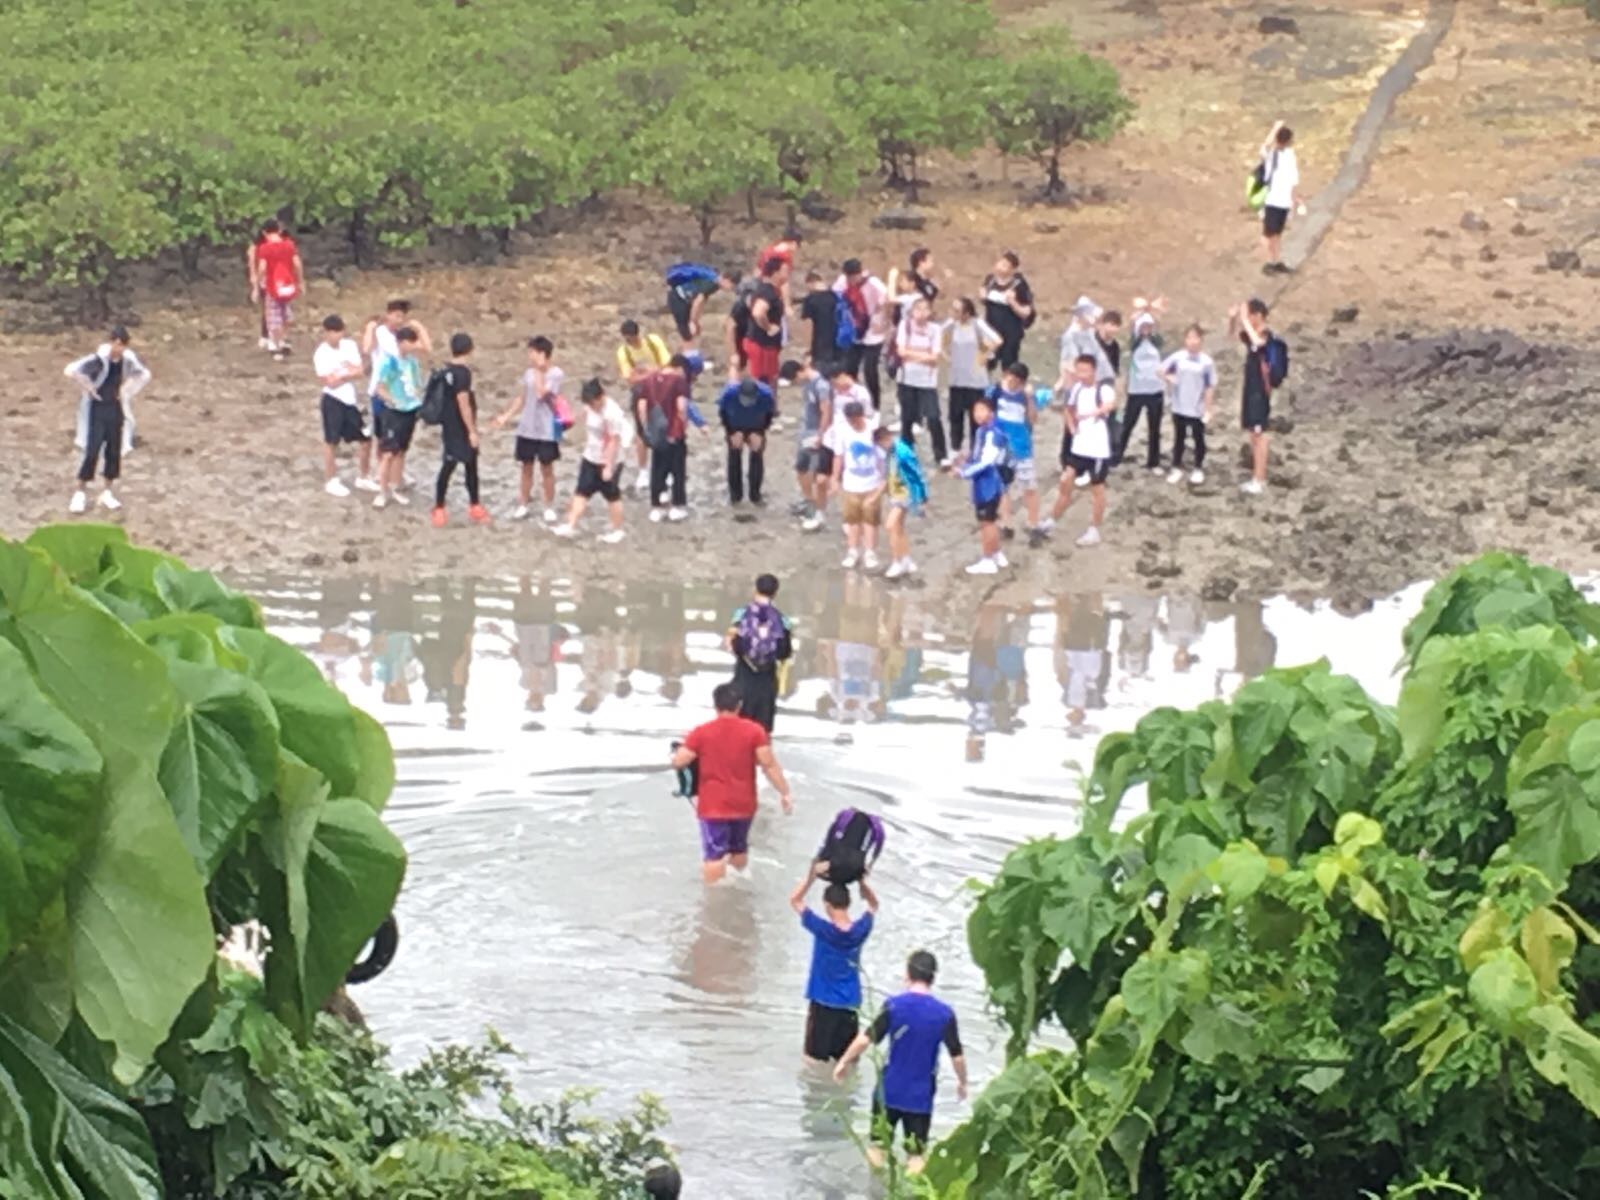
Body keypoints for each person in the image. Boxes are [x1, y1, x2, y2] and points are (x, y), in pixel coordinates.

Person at [834, 950, 968, 1176]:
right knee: (916, 1155)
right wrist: (962, 1082)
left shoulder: (894, 1006)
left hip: (889, 1090)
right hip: (920, 1096)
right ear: (933, 977)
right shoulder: (944, 1014)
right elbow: (957, 1055)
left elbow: (866, 1039)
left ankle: (875, 1188)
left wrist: (844, 1061)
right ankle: (912, 1190)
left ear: (908, 974)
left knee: (878, 1146)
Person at [671, 682, 794, 884]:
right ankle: (738, 887)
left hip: (713, 807)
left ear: (715, 705)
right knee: (739, 850)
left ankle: (713, 897)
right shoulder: (755, 731)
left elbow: (680, 761)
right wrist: (785, 793)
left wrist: (676, 754)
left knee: (714, 856)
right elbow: (769, 765)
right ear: (739, 705)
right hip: (744, 805)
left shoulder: (701, 733)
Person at [64, 326, 150, 514]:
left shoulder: (126, 361)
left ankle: (107, 492)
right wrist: (89, 387)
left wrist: (125, 390)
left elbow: (141, 374)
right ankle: (80, 492)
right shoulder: (99, 360)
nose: (118, 348)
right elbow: (74, 371)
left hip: (115, 408)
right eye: (116, 344)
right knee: (92, 450)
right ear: (111, 342)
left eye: (122, 345)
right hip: (98, 408)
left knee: (113, 451)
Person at [791, 879, 877, 1064]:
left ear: (827, 905)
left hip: (823, 1001)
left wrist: (811, 877)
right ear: (848, 903)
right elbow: (873, 905)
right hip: (850, 1003)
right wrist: (862, 882)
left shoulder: (822, 929)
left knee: (813, 1061)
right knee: (847, 1061)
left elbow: (795, 900)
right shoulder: (860, 930)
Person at [494, 335, 565, 522]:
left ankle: (548, 506)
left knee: (547, 468)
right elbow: (523, 398)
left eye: (532, 352)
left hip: (547, 429)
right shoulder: (528, 374)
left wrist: (540, 371)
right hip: (527, 428)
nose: (529, 356)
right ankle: (523, 504)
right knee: (526, 467)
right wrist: (506, 416)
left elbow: (542, 394)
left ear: (542, 353)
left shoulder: (556, 374)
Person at [1046, 353, 1115, 546]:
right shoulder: (1076, 389)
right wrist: (1072, 426)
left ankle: (1094, 529)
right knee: (1066, 481)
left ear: (1094, 371)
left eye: (1086, 371)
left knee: (1097, 488)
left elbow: (1109, 405)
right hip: (1079, 446)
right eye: (1079, 371)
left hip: (1098, 449)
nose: (1082, 375)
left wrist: (1091, 414)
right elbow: (1068, 409)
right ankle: (1052, 520)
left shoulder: (1103, 389)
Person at [363, 300, 431, 492]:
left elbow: (426, 348)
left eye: (402, 316)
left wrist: (419, 328)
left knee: (401, 437)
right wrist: (369, 329)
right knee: (382, 434)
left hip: (402, 393)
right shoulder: (381, 333)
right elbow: (368, 349)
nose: (399, 320)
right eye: (396, 315)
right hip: (382, 390)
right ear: (388, 314)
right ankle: (382, 472)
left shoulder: (402, 336)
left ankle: (396, 472)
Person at [551, 379, 627, 543]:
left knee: (612, 495)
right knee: (582, 491)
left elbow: (614, 441)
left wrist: (608, 466)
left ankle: (618, 530)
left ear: (601, 397)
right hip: (590, 456)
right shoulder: (590, 406)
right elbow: (582, 414)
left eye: (593, 403)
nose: (592, 407)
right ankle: (570, 525)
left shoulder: (612, 414)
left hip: (609, 459)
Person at [313, 315, 376, 497]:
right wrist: (348, 372)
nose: (337, 336)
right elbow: (329, 382)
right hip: (332, 400)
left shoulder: (349, 346)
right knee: (331, 441)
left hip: (350, 400)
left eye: (339, 332)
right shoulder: (321, 354)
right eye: (333, 332)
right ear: (326, 333)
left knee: (365, 438)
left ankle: (363, 476)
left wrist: (342, 375)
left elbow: (359, 371)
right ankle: (331, 479)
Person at [1229, 297, 1286, 495]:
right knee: (1253, 433)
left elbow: (1258, 343)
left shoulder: (1268, 338)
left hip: (1261, 392)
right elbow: (1234, 336)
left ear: (1258, 315)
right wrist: (1234, 319)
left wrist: (1244, 319)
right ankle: (1256, 476)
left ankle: (1260, 478)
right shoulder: (1252, 336)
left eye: (1250, 315)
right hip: (1251, 389)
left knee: (1260, 434)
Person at [431, 333, 489, 528]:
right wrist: (472, 430)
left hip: (448, 424)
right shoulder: (463, 373)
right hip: (460, 426)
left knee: (453, 464)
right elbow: (463, 403)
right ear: (470, 350)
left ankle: (443, 506)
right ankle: (468, 505)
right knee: (463, 465)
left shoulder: (446, 370)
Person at [726, 573, 794, 732]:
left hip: (743, 676)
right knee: (762, 730)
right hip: (767, 680)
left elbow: (732, 644)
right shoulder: (782, 619)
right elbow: (784, 652)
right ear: (775, 592)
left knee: (740, 727)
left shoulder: (741, 614)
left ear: (755, 589)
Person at [372, 326, 425, 509]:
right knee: (388, 453)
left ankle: (395, 487)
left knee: (401, 451)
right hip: (393, 412)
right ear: (401, 343)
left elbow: (417, 384)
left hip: (410, 410)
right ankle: (382, 491)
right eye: (410, 342)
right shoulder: (390, 362)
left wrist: (416, 400)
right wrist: (393, 401)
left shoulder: (412, 363)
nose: (413, 346)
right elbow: (379, 388)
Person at [634, 357, 693, 521]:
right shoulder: (679, 382)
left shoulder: (648, 381)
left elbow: (641, 408)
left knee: (657, 468)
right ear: (680, 368)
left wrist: (646, 429)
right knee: (677, 470)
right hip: (674, 432)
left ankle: (656, 507)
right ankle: (677, 506)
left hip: (656, 433)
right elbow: (681, 407)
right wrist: (684, 424)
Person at [989, 363, 1043, 540]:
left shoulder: (1026, 397)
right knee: (1001, 486)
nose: (1012, 383)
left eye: (1016, 381)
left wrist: (1029, 398)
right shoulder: (996, 391)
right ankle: (1006, 522)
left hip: (1021, 448)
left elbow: (1033, 419)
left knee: (1029, 487)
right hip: (1000, 447)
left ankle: (1033, 522)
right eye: (1010, 379)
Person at [959, 393, 1009, 575]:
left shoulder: (993, 434)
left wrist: (964, 472)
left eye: (982, 410)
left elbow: (987, 461)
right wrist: (966, 462)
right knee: (990, 520)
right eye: (975, 411)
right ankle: (996, 553)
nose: (978, 414)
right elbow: (976, 456)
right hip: (985, 482)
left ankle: (988, 559)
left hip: (988, 484)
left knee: (987, 522)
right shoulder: (982, 431)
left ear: (991, 412)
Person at [833, 401, 885, 571]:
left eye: (856, 420)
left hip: (872, 482)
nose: (853, 424)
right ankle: (852, 551)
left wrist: (883, 479)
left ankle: (870, 552)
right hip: (851, 482)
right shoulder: (842, 431)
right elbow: (838, 456)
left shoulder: (873, 429)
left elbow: (882, 456)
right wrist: (835, 478)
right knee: (852, 519)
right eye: (850, 420)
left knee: (871, 519)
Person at [944, 297, 1000, 457]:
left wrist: (985, 355)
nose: (953, 313)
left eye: (957, 310)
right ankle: (955, 448)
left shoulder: (977, 324)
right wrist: (946, 356)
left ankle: (976, 449)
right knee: (955, 415)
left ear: (967, 313)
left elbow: (997, 340)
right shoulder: (951, 325)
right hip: (957, 378)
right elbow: (938, 337)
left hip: (976, 380)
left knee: (976, 417)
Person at [781, 358, 833, 530]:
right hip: (807, 429)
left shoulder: (821, 386)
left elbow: (826, 411)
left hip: (816, 431)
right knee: (801, 467)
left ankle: (817, 508)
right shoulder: (808, 384)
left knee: (816, 471)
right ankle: (808, 500)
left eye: (795, 379)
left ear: (799, 372)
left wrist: (821, 434)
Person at [1162, 324, 1217, 485]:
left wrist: (1208, 409)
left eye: (1195, 338)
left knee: (1198, 438)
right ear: (1185, 340)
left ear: (1201, 340)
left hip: (1197, 407)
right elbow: (1161, 370)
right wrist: (1170, 378)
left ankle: (1198, 468)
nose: (1192, 341)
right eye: (1189, 338)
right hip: (1179, 405)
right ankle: (1176, 467)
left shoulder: (1206, 362)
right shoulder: (1178, 358)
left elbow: (1209, 386)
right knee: (1179, 437)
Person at [894, 295, 946, 466]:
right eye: (918, 309)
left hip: (927, 381)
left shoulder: (935, 329)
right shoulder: (905, 326)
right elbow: (901, 351)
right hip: (906, 379)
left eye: (925, 309)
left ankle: (941, 455)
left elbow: (935, 356)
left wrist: (912, 355)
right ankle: (906, 452)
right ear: (912, 311)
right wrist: (923, 356)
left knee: (933, 417)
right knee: (907, 417)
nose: (922, 313)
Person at [1120, 305, 1167, 473]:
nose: (1146, 329)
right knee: (1128, 424)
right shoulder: (1135, 342)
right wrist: (1140, 312)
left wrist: (1153, 311)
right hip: (1136, 390)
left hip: (1155, 389)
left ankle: (1153, 462)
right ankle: (1117, 456)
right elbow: (1131, 324)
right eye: (1143, 326)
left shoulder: (1156, 341)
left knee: (1154, 428)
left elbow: (1160, 329)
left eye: (1149, 326)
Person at [836, 259, 889, 409]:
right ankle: (851, 402)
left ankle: (875, 405)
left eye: (854, 277)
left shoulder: (874, 284)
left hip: (874, 331)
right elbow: (836, 297)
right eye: (849, 277)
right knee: (850, 367)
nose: (852, 280)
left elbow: (888, 301)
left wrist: (885, 321)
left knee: (870, 370)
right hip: (855, 331)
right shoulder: (842, 282)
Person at [718, 372, 776, 507]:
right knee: (734, 455)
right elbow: (722, 414)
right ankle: (735, 495)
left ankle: (755, 495)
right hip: (735, 425)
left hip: (756, 426)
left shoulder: (766, 394)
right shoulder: (729, 393)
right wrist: (731, 432)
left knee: (756, 454)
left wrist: (761, 432)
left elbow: (769, 415)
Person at [249, 219, 304, 357]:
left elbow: (262, 268)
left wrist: (257, 285)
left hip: (272, 286)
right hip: (287, 285)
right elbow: (297, 264)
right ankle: (283, 340)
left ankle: (275, 344)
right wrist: (301, 281)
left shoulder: (265, 248)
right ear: (279, 230)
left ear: (264, 232)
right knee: (286, 314)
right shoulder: (289, 245)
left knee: (273, 316)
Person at [795, 808, 887, 888]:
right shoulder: (873, 828)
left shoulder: (844, 819)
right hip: (853, 875)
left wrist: (811, 876)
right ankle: (862, 889)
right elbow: (873, 856)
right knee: (857, 867)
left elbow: (828, 842)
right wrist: (863, 878)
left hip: (834, 867)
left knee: (816, 865)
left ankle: (806, 886)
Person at [880, 425, 927, 581]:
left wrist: (922, 497)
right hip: (896, 493)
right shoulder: (890, 452)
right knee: (898, 527)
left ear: (886, 438)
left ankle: (897, 561)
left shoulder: (902, 451)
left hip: (905, 493)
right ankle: (906, 558)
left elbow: (917, 474)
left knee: (891, 525)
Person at [1259, 122, 1302, 274]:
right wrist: (1275, 129)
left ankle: (1276, 261)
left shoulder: (1289, 155)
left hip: (1283, 201)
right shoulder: (1272, 155)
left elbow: (1293, 179)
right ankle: (1269, 261)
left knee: (1277, 234)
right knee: (1269, 234)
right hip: (1273, 201)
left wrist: (1294, 199)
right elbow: (1265, 146)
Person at [741, 256, 788, 392]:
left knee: (771, 378)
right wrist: (768, 327)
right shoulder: (767, 292)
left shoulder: (771, 291)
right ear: (775, 273)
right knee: (761, 381)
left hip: (768, 345)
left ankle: (770, 403)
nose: (787, 274)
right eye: (784, 271)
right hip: (761, 344)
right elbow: (758, 312)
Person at [980, 251, 1034, 370]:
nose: (1000, 267)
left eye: (1005, 265)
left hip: (1010, 334)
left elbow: (1027, 312)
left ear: (1012, 270)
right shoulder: (990, 281)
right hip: (991, 331)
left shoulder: (1019, 285)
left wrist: (1013, 303)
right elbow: (984, 298)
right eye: (1000, 263)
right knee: (985, 363)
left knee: (1009, 366)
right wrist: (983, 297)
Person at [665, 261, 735, 347]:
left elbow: (701, 302)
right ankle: (687, 353)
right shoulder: (712, 282)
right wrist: (693, 321)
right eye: (731, 286)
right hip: (678, 299)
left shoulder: (714, 281)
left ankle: (688, 351)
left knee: (691, 332)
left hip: (684, 300)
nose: (730, 289)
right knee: (687, 333)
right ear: (727, 280)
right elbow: (698, 301)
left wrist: (696, 320)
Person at [798, 271, 839, 365]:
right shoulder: (835, 296)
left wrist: (808, 349)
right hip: (837, 344)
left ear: (810, 283)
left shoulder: (810, 300)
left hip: (819, 346)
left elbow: (808, 324)